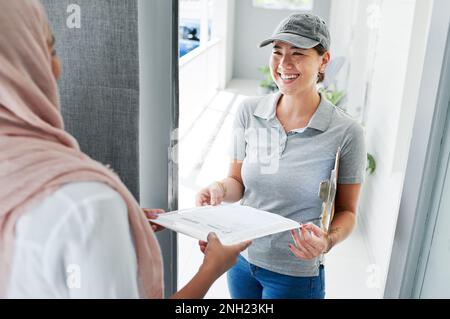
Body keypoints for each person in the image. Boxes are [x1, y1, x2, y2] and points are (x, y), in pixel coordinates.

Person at [0, 0, 250, 299]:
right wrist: (211, 269)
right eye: (49, 50)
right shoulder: (85, 205)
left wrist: (116, 221)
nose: (58, 66)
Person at [196, 13, 366, 299]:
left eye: (297, 53)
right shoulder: (248, 112)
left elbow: (347, 212)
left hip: (295, 273)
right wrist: (218, 189)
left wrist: (328, 241)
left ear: (323, 60)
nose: (284, 64)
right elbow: (236, 183)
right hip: (240, 258)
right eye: (277, 52)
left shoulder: (346, 132)